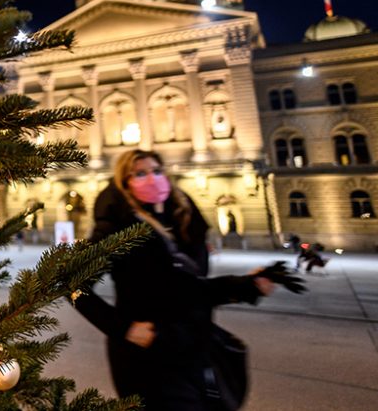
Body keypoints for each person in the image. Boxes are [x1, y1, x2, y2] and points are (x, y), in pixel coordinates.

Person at [72, 149, 304, 410]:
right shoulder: (119, 229)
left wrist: (247, 285)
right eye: (140, 174)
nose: (152, 178)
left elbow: (190, 289)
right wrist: (123, 328)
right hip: (148, 357)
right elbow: (72, 285)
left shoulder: (181, 222)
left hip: (193, 349)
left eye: (156, 171)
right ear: (125, 184)